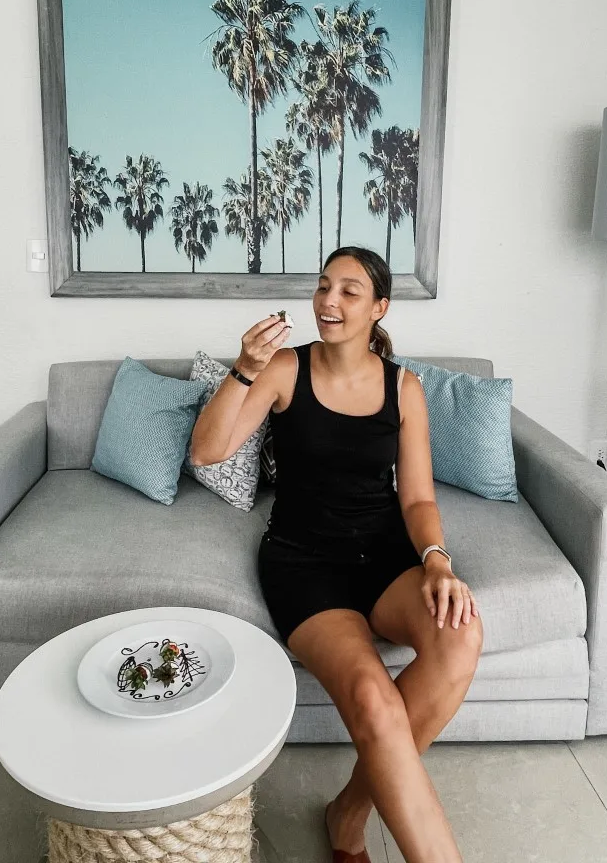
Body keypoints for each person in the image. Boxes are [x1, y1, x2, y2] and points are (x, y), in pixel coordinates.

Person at [190, 246, 483, 863]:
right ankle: (366, 826)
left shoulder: (405, 387)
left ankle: (351, 807)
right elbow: (208, 452)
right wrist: (243, 368)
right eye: (324, 287)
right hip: (304, 562)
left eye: (350, 291)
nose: (329, 301)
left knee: (461, 635)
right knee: (373, 698)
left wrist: (436, 559)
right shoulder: (283, 369)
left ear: (379, 307)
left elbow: (418, 500)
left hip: (384, 556)